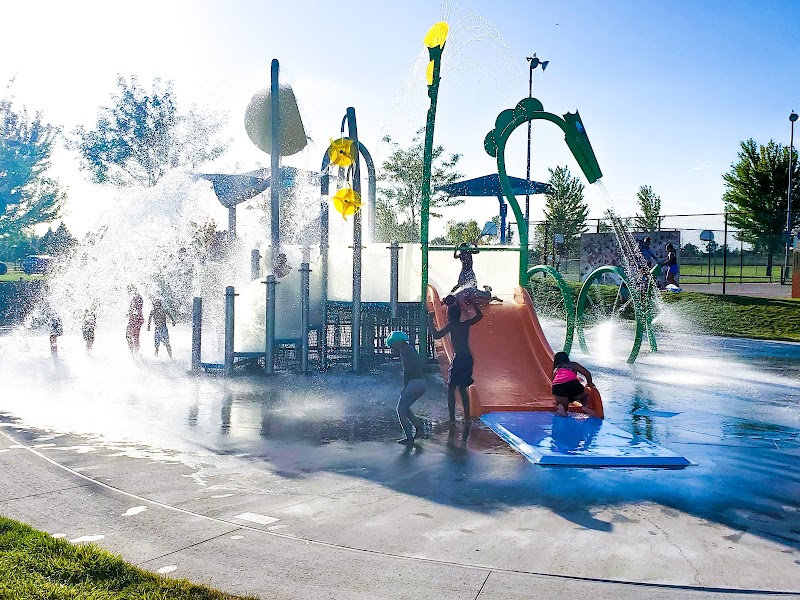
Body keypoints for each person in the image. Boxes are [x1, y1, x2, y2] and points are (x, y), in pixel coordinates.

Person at [428, 303, 483, 424]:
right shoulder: (464, 324)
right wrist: (472, 304)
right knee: (463, 388)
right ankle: (467, 418)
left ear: (448, 316)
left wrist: (430, 321)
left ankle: (452, 419)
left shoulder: (451, 326)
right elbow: (479, 316)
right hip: (468, 358)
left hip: (459, 358)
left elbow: (436, 335)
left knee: (451, 388)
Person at [386, 330, 427, 446]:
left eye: (392, 345)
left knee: (400, 410)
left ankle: (409, 437)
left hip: (414, 383)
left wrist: (405, 386)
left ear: (398, 342)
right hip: (422, 382)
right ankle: (419, 428)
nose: (392, 349)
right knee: (406, 408)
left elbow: (406, 370)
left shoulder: (404, 351)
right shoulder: (411, 348)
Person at [551, 351, 596, 417]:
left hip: (556, 386)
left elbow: (553, 381)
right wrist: (590, 384)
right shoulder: (573, 364)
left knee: (563, 403)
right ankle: (585, 407)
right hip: (572, 383)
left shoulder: (556, 369)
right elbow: (587, 374)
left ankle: (561, 407)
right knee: (584, 396)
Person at [126, 285, 144, 354]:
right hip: (137, 318)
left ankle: (133, 353)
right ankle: (135, 352)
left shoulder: (135, 297)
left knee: (129, 335)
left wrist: (131, 313)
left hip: (135, 318)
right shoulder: (137, 297)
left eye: (128, 290)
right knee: (134, 336)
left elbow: (136, 309)